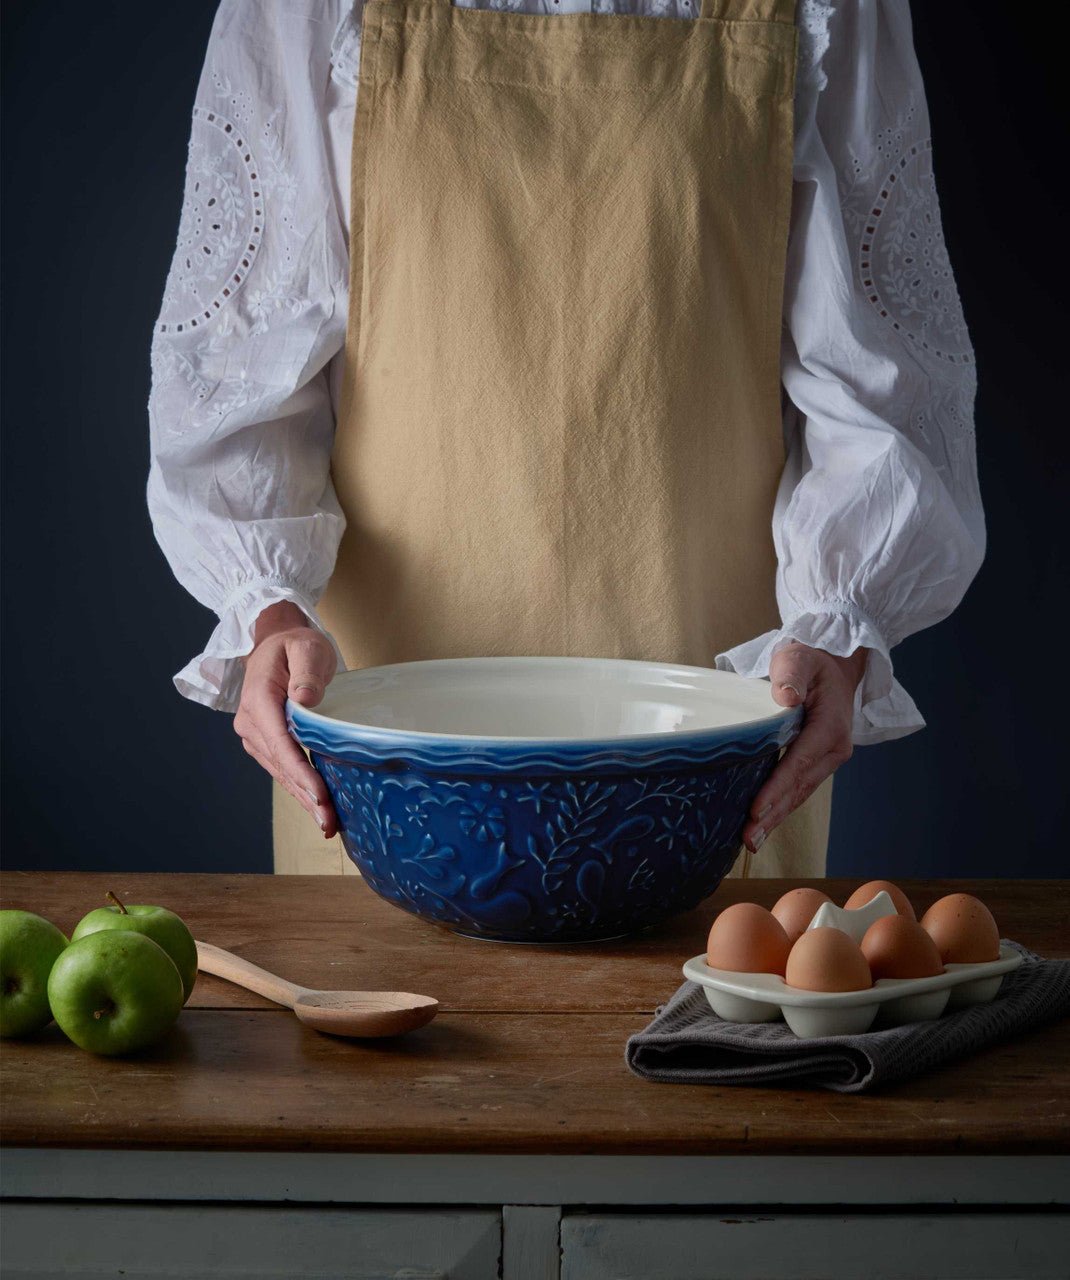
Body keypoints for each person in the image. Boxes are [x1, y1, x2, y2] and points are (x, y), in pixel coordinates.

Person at [147, 0, 983, 880]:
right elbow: (238, 357)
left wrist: (843, 631)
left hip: (717, 724)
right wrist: (267, 609)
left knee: (704, 1006)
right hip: (379, 732)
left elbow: (876, 368)